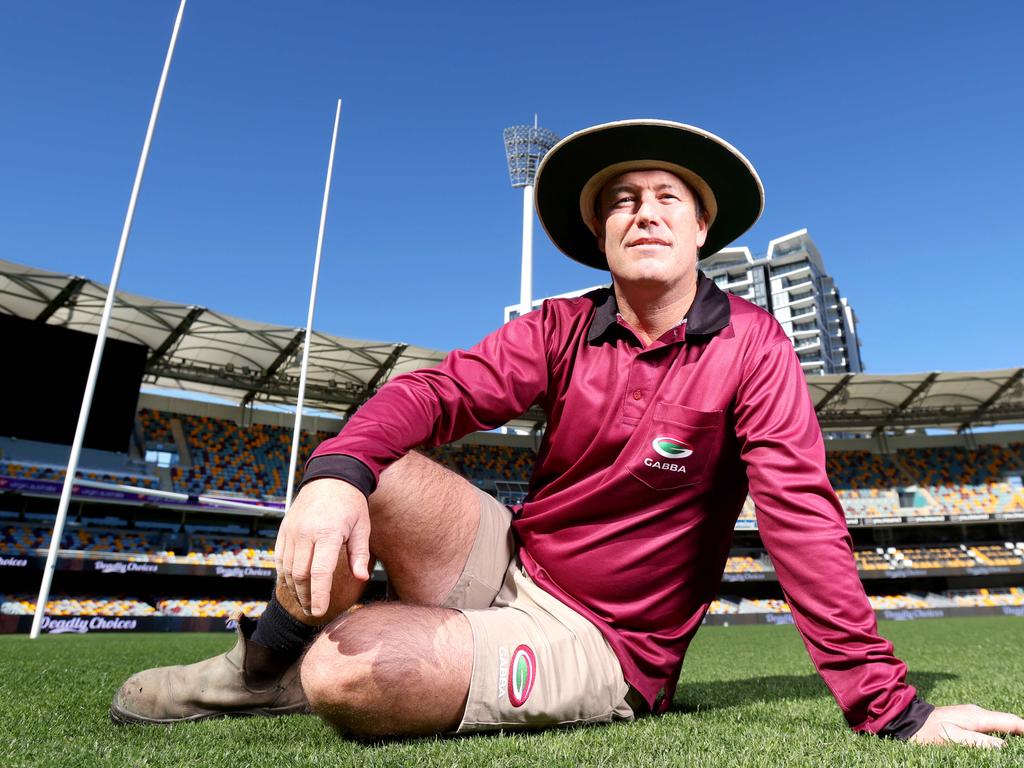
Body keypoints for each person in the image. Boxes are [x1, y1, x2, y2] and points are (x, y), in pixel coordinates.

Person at [111, 119, 1024, 748]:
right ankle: (263, 664)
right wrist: (335, 473)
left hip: (607, 643)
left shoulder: (753, 347)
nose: (646, 210)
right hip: (514, 565)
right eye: (622, 199)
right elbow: (436, 391)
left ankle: (353, 661)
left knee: (350, 678)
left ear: (701, 227)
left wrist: (892, 710)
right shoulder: (559, 326)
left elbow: (803, 522)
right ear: (600, 233)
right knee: (371, 470)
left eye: (669, 196)